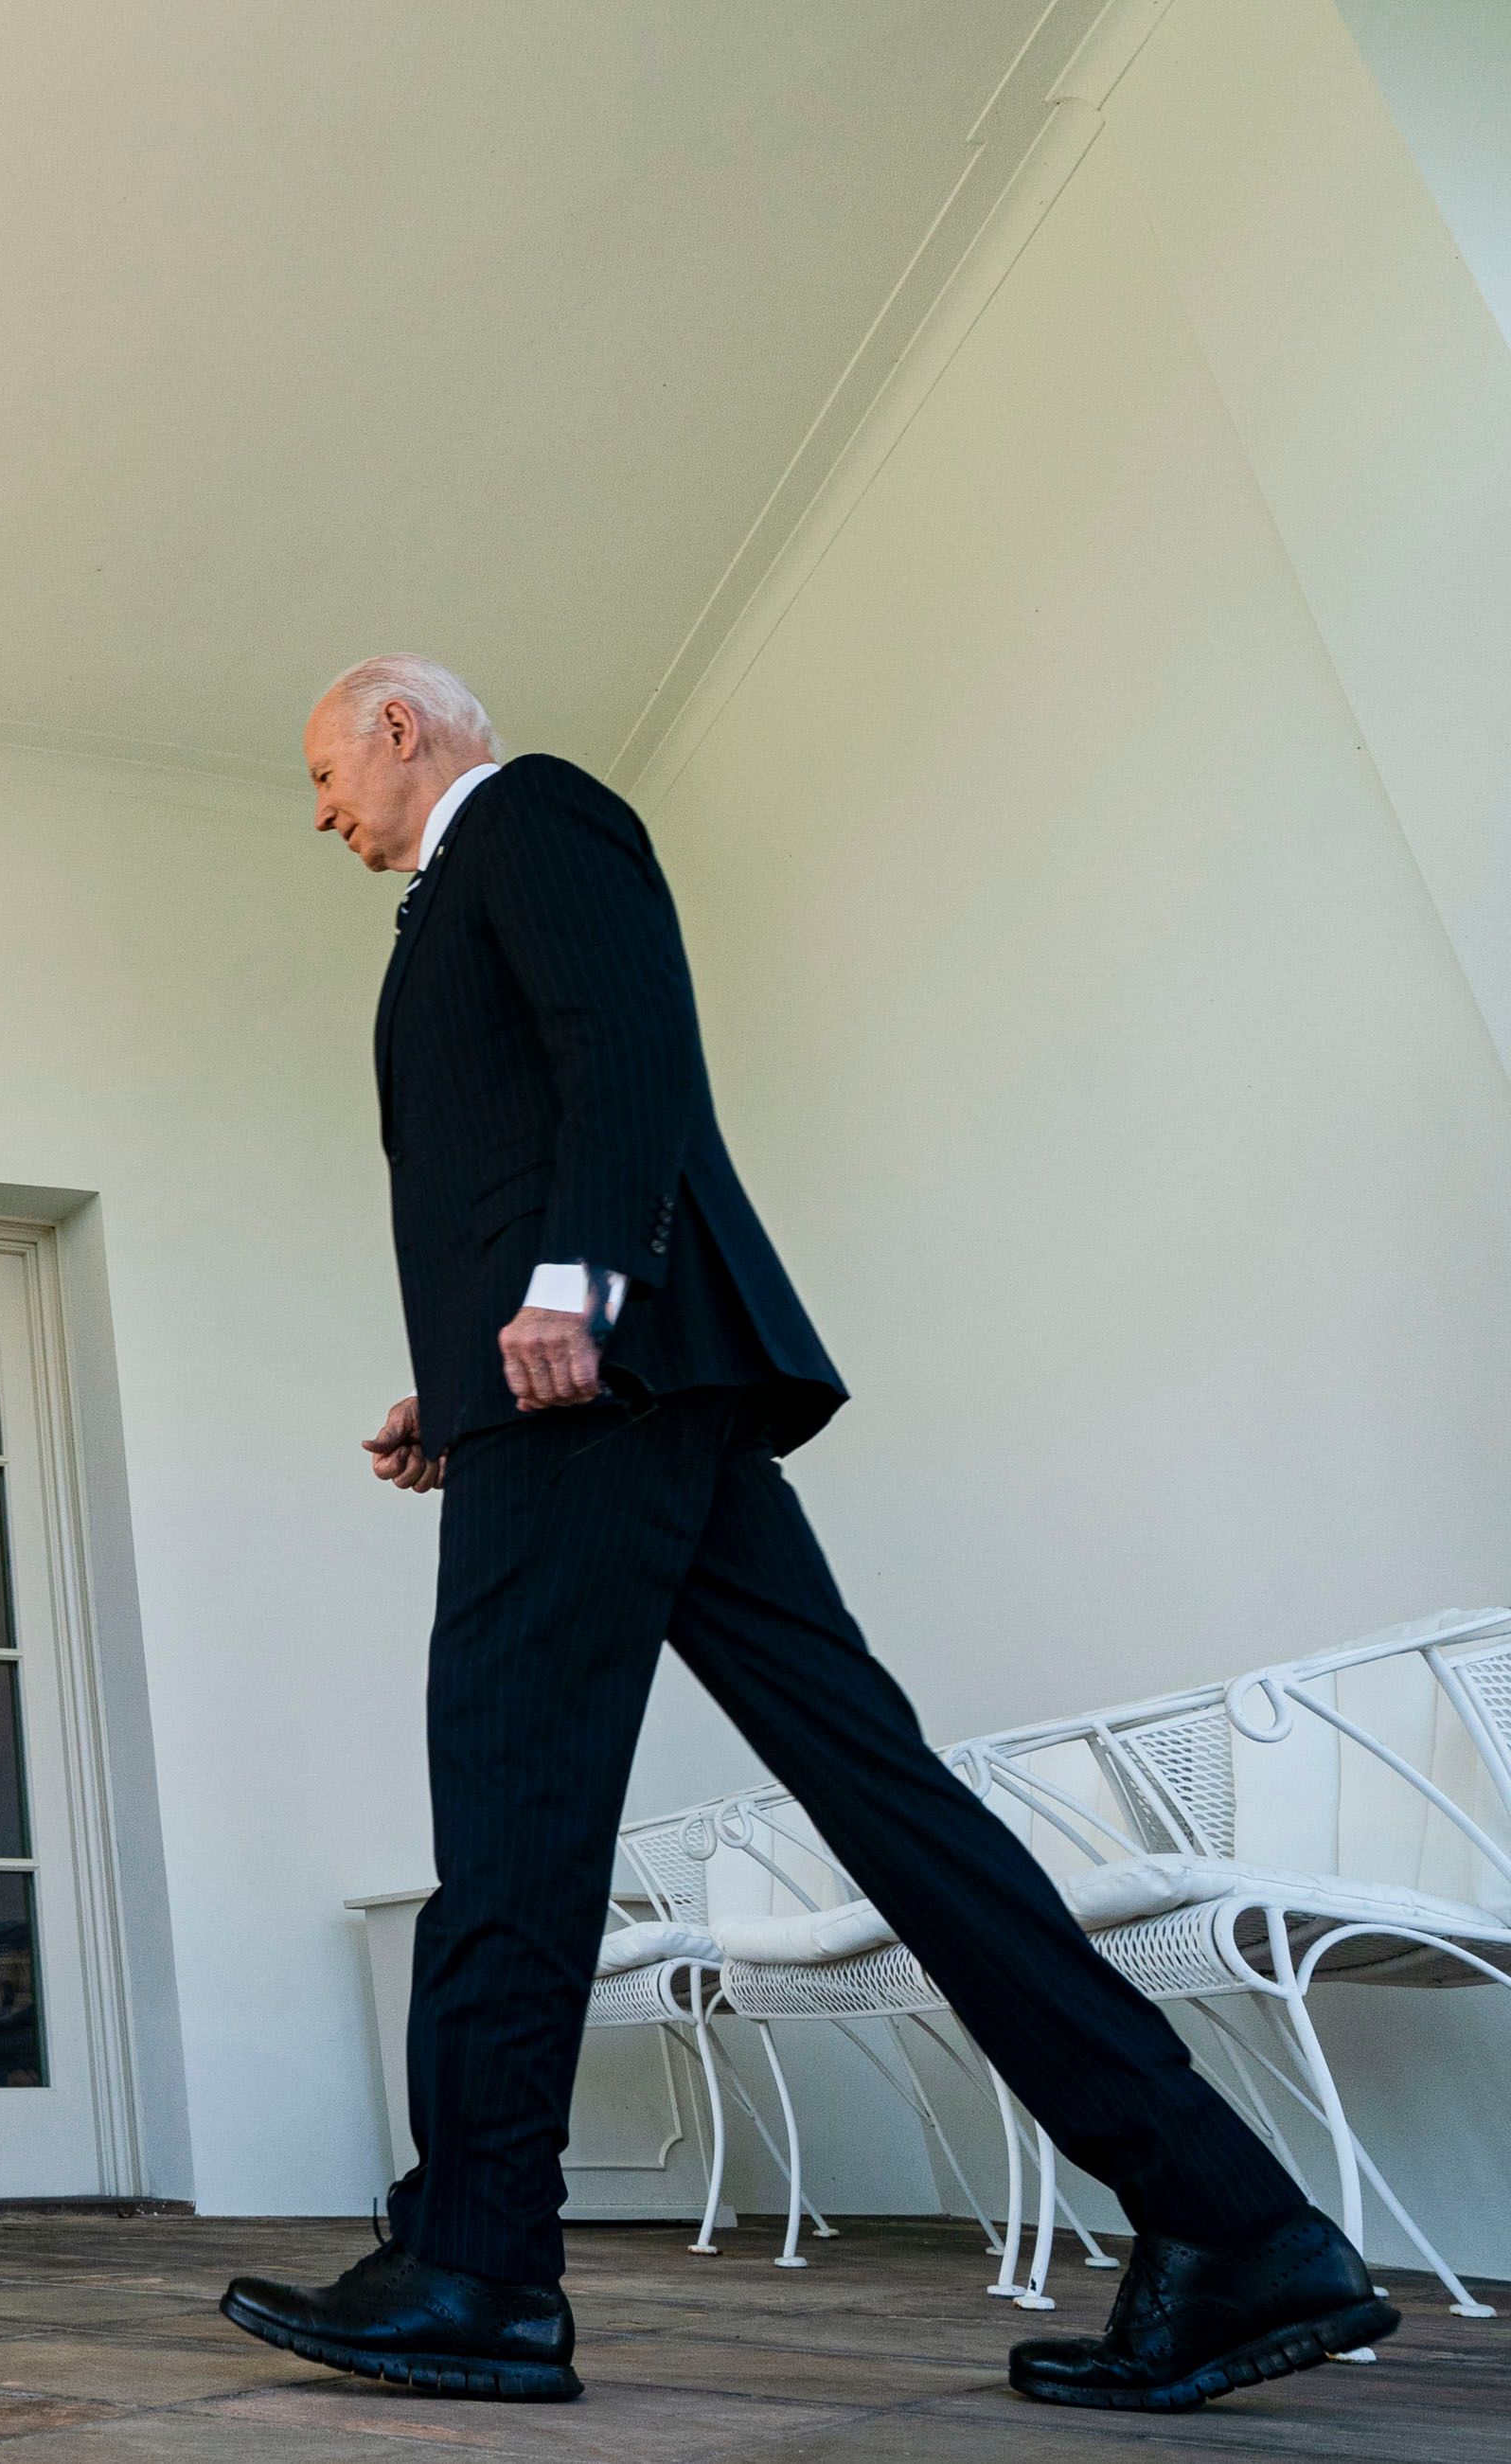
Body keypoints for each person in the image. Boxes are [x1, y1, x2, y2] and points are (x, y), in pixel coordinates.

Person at [219, 659, 1393, 2410]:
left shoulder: (528, 813)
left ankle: (474, 2262)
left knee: (513, 1800)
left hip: (601, 1390)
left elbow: (630, 1041)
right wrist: (455, 1377)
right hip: (604, 1388)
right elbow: (519, 1137)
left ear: (402, 727)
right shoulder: (452, 892)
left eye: (326, 771)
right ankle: (1232, 2222)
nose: (323, 811)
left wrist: (575, 1290)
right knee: (886, 1801)